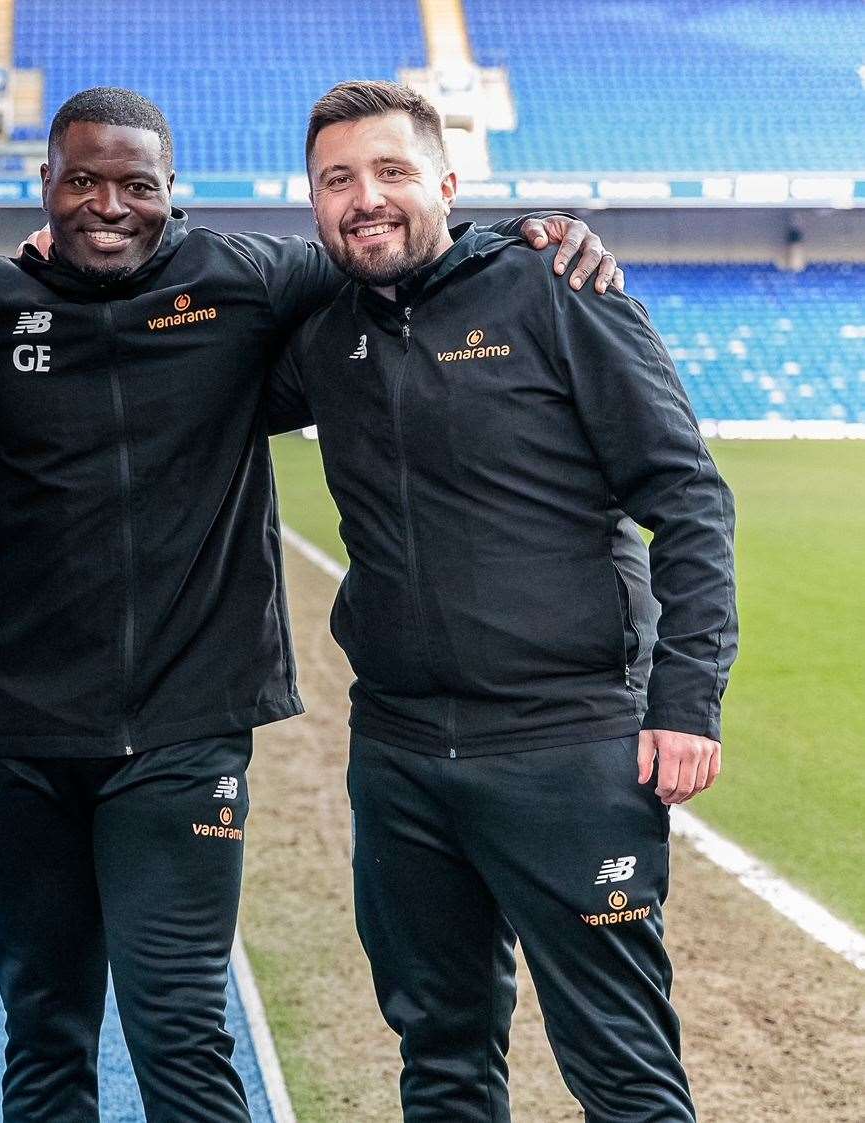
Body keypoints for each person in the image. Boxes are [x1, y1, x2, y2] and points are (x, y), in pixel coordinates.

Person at [0, 87, 621, 1123]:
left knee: (177, 1027)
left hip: (185, 729)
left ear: (175, 193)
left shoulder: (246, 279)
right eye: (81, 180)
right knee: (43, 1030)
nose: (106, 204)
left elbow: (395, 256)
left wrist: (531, 240)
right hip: (25, 737)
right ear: (44, 188)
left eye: (133, 184)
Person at [268, 80, 738, 1122]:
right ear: (309, 201)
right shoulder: (321, 332)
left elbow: (689, 497)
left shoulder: (551, 286)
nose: (365, 199)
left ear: (444, 180)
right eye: (336, 179)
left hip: (563, 748)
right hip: (397, 757)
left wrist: (685, 697)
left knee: (620, 1070)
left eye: (390, 172)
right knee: (438, 1056)